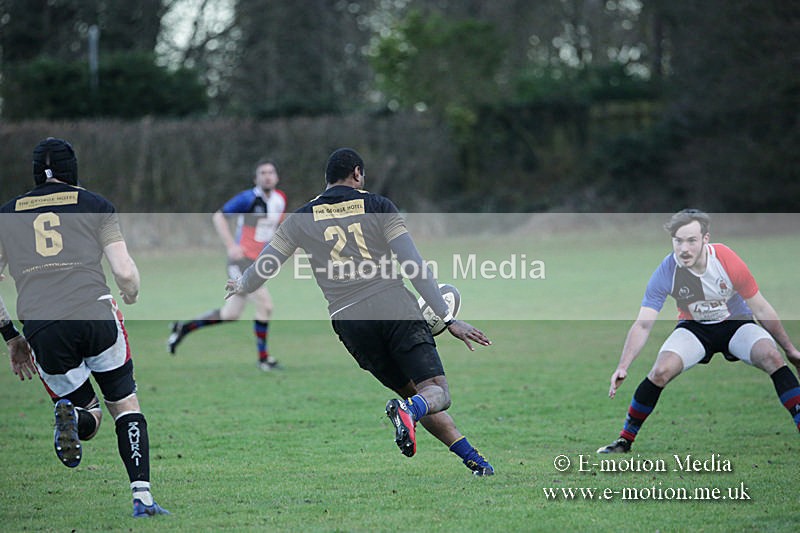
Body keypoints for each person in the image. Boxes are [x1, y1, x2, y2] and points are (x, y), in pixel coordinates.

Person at [226, 148, 495, 475]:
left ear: (327, 180)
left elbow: (264, 267)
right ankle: (411, 412)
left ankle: (475, 461)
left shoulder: (301, 218)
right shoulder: (379, 206)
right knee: (435, 391)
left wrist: (242, 284)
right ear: (357, 173)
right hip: (393, 306)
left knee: (414, 396)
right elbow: (413, 265)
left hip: (351, 323)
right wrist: (448, 318)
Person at [0, 137, 169, 517]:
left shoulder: (7, 214)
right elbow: (124, 271)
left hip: (42, 326)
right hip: (94, 315)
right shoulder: (95, 205)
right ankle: (142, 498)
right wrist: (131, 293)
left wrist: (11, 337)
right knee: (124, 404)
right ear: (72, 170)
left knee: (86, 413)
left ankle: (73, 416)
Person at [598, 208, 800, 453]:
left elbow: (761, 308)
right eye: (678, 241)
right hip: (695, 329)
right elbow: (643, 324)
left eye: (691, 240)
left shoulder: (725, 259)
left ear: (705, 239)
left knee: (771, 357)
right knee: (660, 371)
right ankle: (624, 440)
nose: (684, 248)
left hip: (736, 324)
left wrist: (789, 350)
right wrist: (623, 365)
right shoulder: (667, 270)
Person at [168, 159, 287, 371]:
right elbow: (219, 217)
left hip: (257, 264)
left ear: (276, 177)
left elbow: (273, 231)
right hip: (239, 262)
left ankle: (184, 328)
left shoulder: (280, 200)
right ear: (256, 178)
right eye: (263, 173)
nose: (267, 176)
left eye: (271, 172)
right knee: (265, 305)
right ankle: (263, 359)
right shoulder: (248, 199)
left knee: (230, 315)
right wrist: (231, 245)